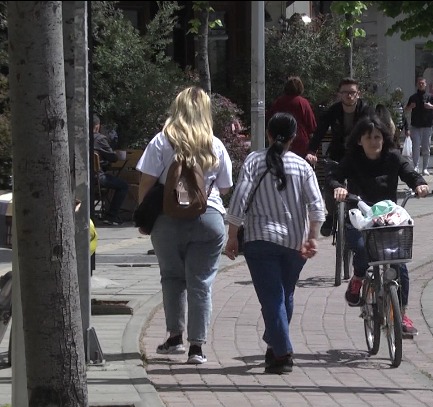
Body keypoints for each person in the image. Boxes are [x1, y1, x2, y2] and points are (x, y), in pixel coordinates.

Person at [136, 86, 234, 365]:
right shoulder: (215, 144)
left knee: (171, 277)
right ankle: (197, 348)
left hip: (167, 219)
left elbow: (145, 183)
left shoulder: (160, 141)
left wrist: (146, 217)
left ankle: (174, 338)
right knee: (200, 282)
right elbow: (225, 187)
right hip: (209, 219)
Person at [224, 112, 325, 374]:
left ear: (268, 134)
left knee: (273, 298)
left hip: (260, 240)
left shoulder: (254, 161)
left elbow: (240, 199)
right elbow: (316, 204)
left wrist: (232, 235)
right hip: (295, 242)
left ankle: (281, 351)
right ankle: (276, 348)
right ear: (294, 137)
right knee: (284, 294)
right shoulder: (302, 166)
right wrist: (313, 235)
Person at [326, 114, 430, 336]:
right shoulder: (352, 159)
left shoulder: (392, 157)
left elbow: (409, 173)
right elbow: (333, 177)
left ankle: (401, 314)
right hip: (359, 216)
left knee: (399, 264)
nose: (374, 141)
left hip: (387, 220)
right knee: (363, 252)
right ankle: (358, 278)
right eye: (369, 137)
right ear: (359, 140)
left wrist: (420, 184)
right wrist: (339, 188)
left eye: (378, 137)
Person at [307, 77, 375, 237]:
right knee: (330, 181)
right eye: (345, 93)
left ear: (358, 94)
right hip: (337, 153)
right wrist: (311, 150)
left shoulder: (366, 110)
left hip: (360, 153)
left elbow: (375, 130)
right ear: (339, 94)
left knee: (361, 184)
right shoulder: (334, 111)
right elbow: (320, 131)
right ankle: (331, 216)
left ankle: (362, 214)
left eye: (352, 92)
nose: (349, 96)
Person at [267, 76, 318, 161]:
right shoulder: (303, 103)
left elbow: (270, 119)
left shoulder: (279, 102)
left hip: (280, 142)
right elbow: (312, 125)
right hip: (300, 144)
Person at [92, 114, 129, 226]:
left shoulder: (80, 137)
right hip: (97, 176)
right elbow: (113, 158)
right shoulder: (99, 139)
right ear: (97, 126)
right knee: (123, 185)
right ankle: (111, 215)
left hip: (82, 176)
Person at [405, 77, 433, 175]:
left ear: (426, 84)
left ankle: (425, 168)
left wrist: (431, 106)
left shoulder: (431, 97)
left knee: (426, 147)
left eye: (423, 83)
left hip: (427, 125)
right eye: (419, 83)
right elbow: (406, 110)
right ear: (417, 84)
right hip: (416, 125)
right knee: (416, 146)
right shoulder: (413, 97)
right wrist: (410, 107)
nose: (421, 85)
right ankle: (416, 166)